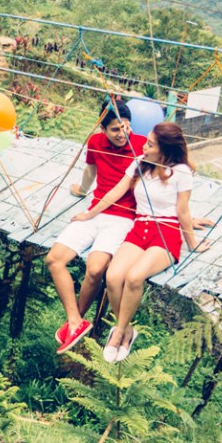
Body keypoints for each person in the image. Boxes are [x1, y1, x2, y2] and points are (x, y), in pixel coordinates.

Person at [71, 122, 211, 362]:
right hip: (139, 229)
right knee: (113, 277)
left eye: (150, 144)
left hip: (165, 233)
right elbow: (115, 192)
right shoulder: (139, 165)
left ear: (164, 150)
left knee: (134, 277)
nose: (143, 146)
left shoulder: (181, 172)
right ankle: (127, 330)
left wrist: (192, 243)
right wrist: (90, 214)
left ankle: (117, 335)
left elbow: (182, 211)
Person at [47, 97, 146, 354]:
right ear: (102, 130)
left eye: (125, 127)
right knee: (54, 260)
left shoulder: (142, 147)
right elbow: (90, 173)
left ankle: (75, 322)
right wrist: (80, 190)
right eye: (115, 129)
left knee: (95, 269)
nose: (122, 133)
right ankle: (75, 321)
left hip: (123, 217)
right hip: (94, 211)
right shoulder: (95, 143)